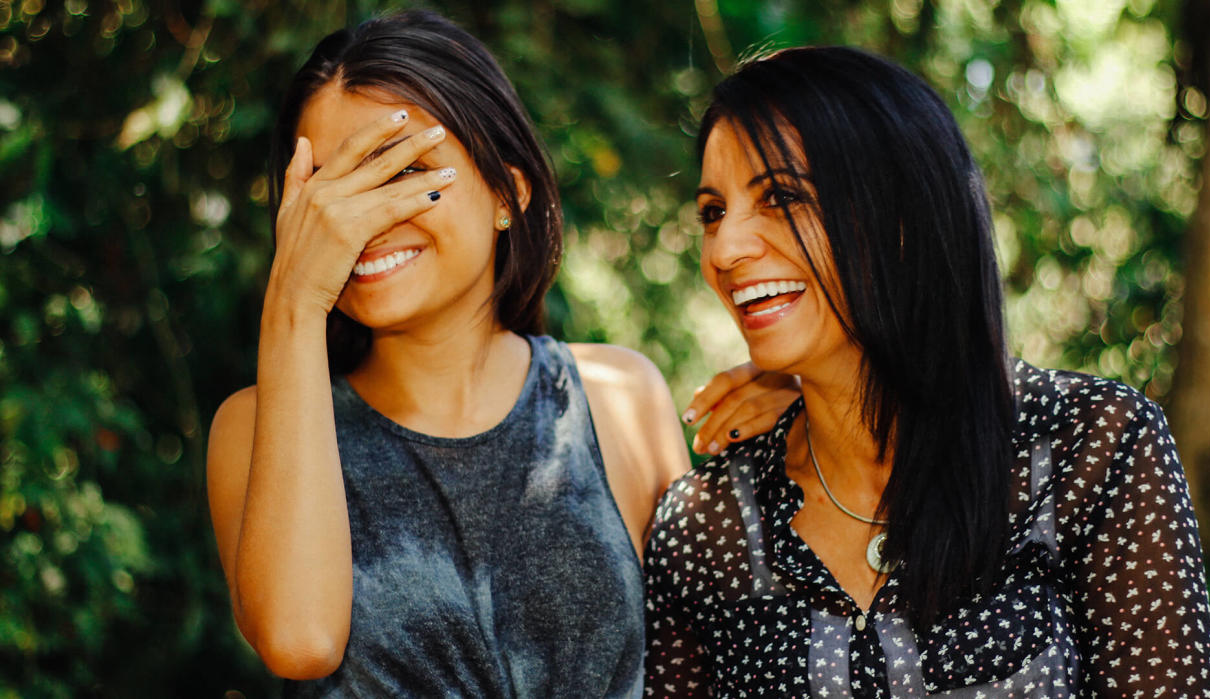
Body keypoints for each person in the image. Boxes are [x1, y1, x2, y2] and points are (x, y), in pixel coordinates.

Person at [204, 9, 793, 696]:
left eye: (402, 170)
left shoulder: (617, 393)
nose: (361, 220)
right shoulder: (251, 428)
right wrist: (293, 302)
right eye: (330, 194)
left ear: (507, 194)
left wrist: (807, 409)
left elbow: (710, 663)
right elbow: (300, 641)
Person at [643, 46, 1210, 697]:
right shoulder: (706, 526)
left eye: (780, 197)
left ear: (901, 214)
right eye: (713, 211)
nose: (725, 248)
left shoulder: (1090, 446)